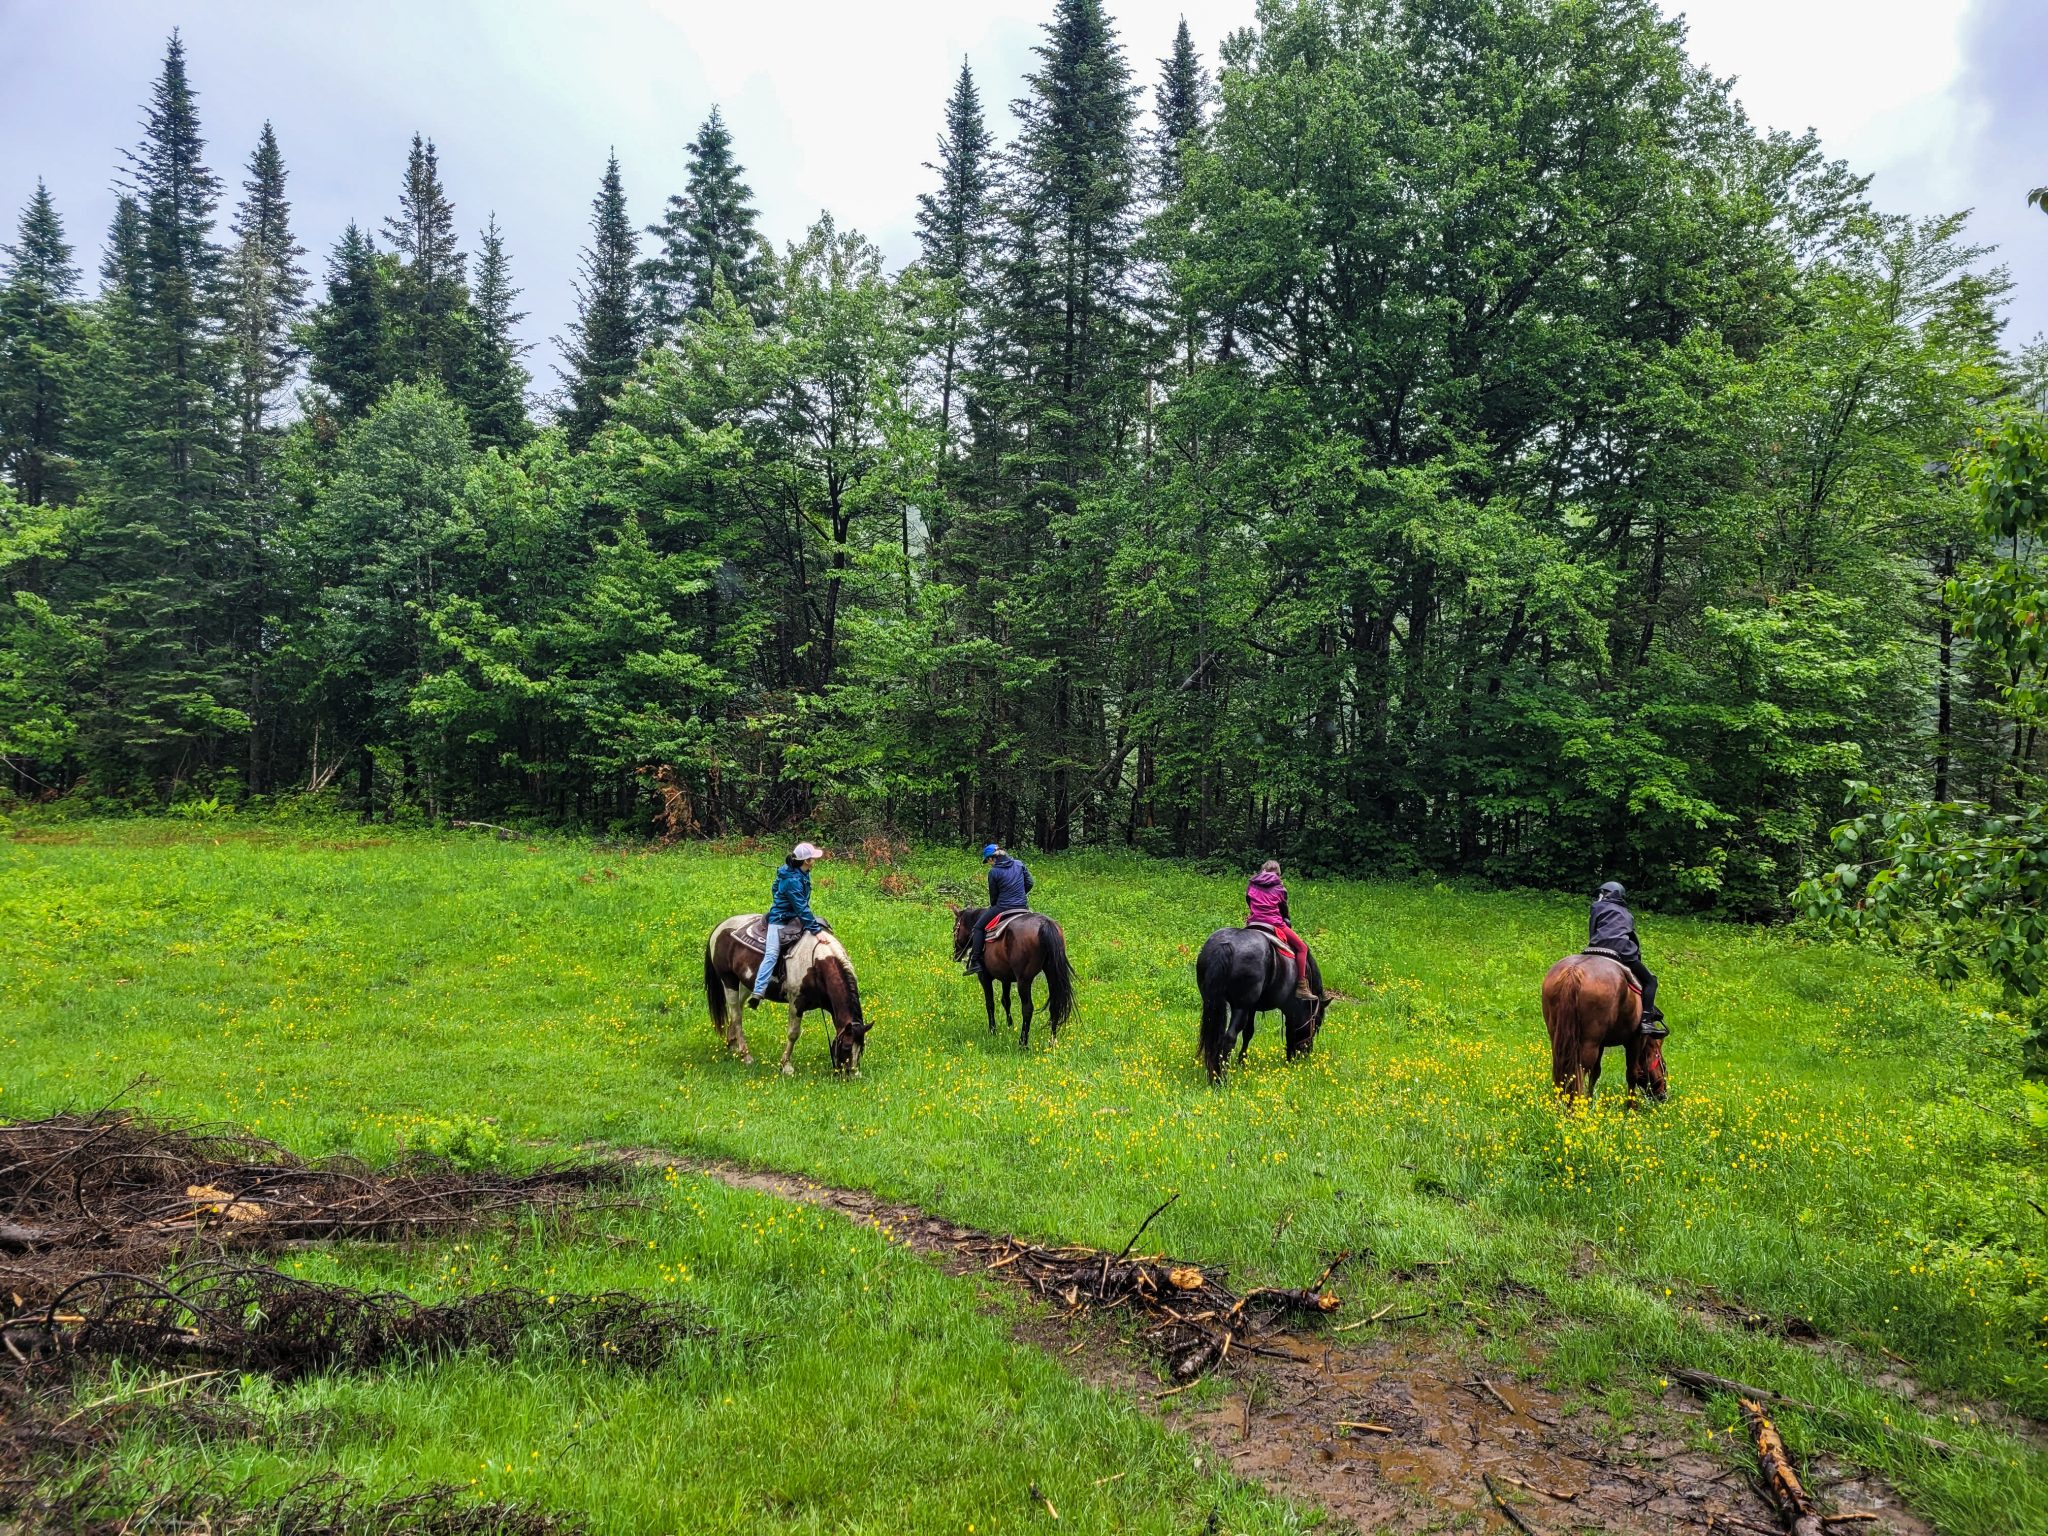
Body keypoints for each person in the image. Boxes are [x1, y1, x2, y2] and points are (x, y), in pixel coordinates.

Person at [749, 841, 828, 1009]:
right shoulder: (792, 880)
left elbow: (775, 888)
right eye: (813, 857)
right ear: (807, 861)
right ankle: (758, 991)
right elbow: (801, 907)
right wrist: (816, 931)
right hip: (780, 919)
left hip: (793, 916)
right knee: (772, 953)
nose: (815, 860)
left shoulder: (801, 872)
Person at [1586, 879, 1665, 1037]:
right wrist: (1637, 957)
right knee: (1651, 981)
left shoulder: (1596, 907)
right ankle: (1646, 1020)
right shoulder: (1627, 914)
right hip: (1621, 951)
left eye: (1601, 893)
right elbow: (1632, 938)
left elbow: (1593, 930)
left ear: (1605, 894)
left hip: (1596, 948)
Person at [1246, 859, 1319, 1001]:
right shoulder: (1279, 887)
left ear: (1263, 870)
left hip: (1253, 923)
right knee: (1302, 948)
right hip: (1274, 924)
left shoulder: (1252, 884)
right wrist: (1286, 919)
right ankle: (1302, 986)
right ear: (1278, 874)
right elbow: (1284, 910)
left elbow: (1249, 903)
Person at [965, 842, 1033, 977]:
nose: (989, 864)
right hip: (1022, 907)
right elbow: (1030, 883)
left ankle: (975, 960)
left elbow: (994, 897)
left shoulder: (994, 872)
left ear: (991, 858)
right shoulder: (1019, 864)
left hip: (1002, 907)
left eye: (988, 861)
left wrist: (998, 905)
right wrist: (1018, 895)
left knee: (978, 928)